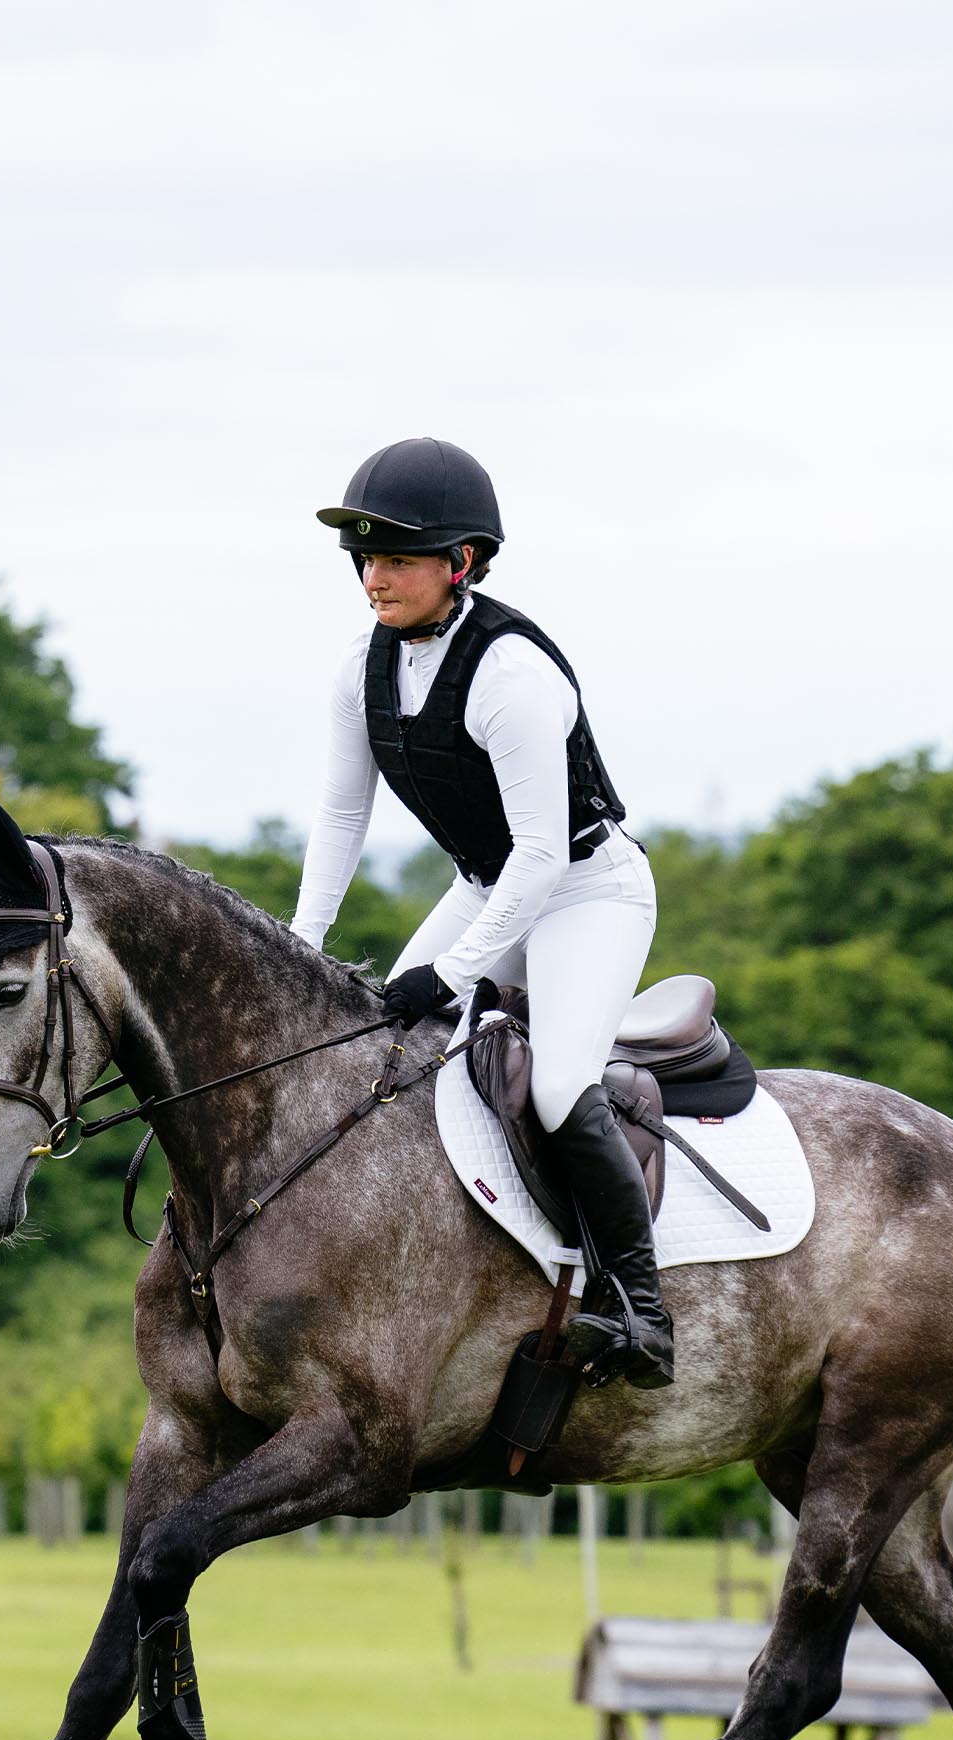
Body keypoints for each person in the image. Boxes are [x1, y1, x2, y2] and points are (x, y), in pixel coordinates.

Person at [292, 436, 672, 1388]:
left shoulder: (510, 677)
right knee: (382, 1050)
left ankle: (643, 1309)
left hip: (588, 890)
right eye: (365, 559)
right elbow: (344, 812)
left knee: (553, 1090)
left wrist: (454, 973)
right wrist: (304, 944)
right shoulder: (362, 668)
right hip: (484, 886)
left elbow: (544, 855)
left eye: (396, 558)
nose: (374, 578)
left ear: (458, 563)